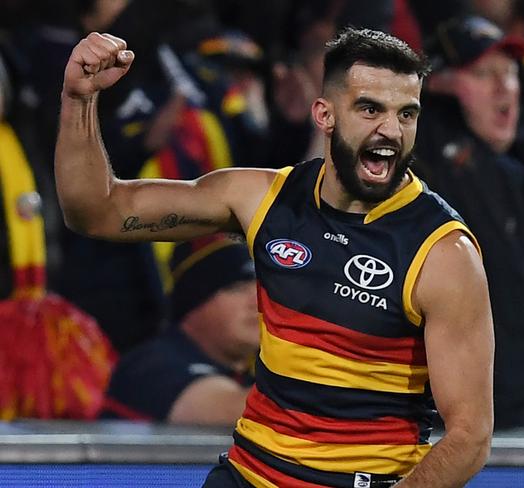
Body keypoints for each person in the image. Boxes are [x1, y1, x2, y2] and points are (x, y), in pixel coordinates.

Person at [55, 28, 494, 488]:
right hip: (247, 475)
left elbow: (470, 436)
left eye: (407, 114)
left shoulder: (443, 253)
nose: (391, 130)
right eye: (370, 109)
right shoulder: (262, 199)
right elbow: (97, 211)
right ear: (324, 115)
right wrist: (78, 99)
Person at [414, 16, 524, 428]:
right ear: (440, 85)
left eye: (510, 72)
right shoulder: (429, 162)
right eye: (484, 74)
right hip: (472, 428)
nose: (504, 86)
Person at [101, 234, 258, 424]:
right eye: (238, 288)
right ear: (195, 301)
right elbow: (238, 412)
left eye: (263, 289)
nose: (258, 303)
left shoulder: (249, 373)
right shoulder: (149, 366)